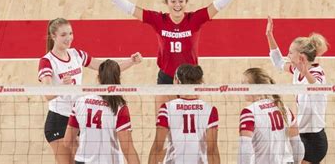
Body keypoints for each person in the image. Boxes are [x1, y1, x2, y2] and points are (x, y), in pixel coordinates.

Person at [83, 0, 262, 107]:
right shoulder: (158, 20)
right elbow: (128, 7)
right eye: (173, 1)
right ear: (167, 2)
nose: (177, 5)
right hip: (166, 77)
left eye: (181, 1)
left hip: (191, 79)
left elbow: (221, 2)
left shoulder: (195, 19)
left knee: (193, 127)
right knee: (162, 129)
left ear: (186, 2)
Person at [38, 18, 142, 164]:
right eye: (63, 35)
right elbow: (47, 94)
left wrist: (130, 61)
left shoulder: (76, 54)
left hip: (78, 118)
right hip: (59, 120)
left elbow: (106, 68)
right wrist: (62, 86)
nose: (68, 38)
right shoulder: (47, 61)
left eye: (70, 33)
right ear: (53, 36)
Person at [266, 16, 329, 164]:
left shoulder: (316, 74)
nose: (287, 55)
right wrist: (269, 35)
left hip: (315, 140)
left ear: (301, 57)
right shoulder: (296, 70)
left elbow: (317, 87)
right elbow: (278, 62)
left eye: (290, 52)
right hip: (301, 135)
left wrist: (305, 72)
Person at [63, 59, 140, 164]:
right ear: (118, 78)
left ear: (98, 77)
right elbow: (128, 149)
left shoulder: (80, 102)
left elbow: (67, 141)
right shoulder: (119, 107)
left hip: (82, 161)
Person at [148, 64, 220, 164]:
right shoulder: (210, 110)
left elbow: (157, 148)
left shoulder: (167, 108)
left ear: (177, 81)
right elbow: (212, 151)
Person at [238, 68, 304, 164]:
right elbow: (297, 146)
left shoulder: (249, 112)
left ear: (256, 87)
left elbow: (245, 150)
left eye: (244, 83)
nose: (241, 87)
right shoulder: (284, 108)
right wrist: (297, 161)